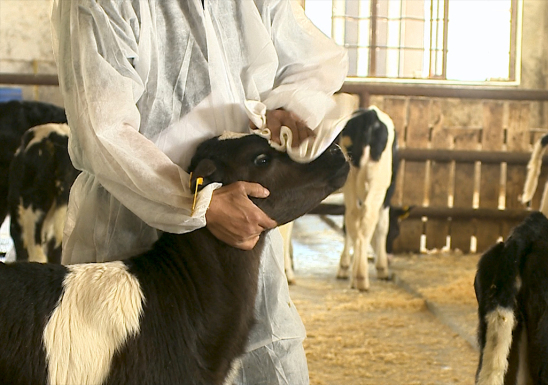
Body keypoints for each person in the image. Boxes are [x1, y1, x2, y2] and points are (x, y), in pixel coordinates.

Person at [50, 1, 348, 383]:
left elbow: (314, 63)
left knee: (259, 358)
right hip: (134, 229)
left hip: (240, 238)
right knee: (140, 365)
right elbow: (101, 127)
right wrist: (197, 203)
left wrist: (286, 105)